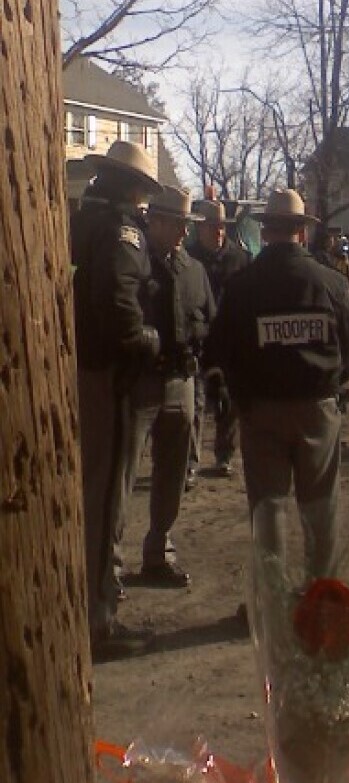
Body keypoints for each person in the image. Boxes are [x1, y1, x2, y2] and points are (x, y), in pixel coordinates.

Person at [204, 189, 349, 584]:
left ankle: (270, 604)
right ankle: (322, 598)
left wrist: (239, 393)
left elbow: (220, 348)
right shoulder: (332, 284)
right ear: (301, 233)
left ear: (266, 231)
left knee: (268, 507)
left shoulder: (242, 285)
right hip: (318, 409)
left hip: (261, 411)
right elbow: (348, 349)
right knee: (320, 507)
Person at [71, 140, 163, 656]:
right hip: (109, 375)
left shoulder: (82, 221)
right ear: (134, 187)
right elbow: (121, 306)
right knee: (106, 498)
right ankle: (98, 619)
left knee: (92, 492)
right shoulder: (122, 232)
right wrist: (149, 342)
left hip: (83, 367)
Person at [112, 186, 207, 589]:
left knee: (172, 472)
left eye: (188, 225)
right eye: (177, 224)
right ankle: (109, 566)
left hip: (180, 379)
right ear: (157, 221)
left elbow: (205, 314)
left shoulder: (193, 269)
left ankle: (158, 552)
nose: (184, 233)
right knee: (122, 477)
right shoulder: (136, 260)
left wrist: (197, 338)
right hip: (141, 381)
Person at [186, 200, 252, 484]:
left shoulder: (240, 259)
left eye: (222, 227)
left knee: (228, 402)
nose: (218, 232)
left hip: (229, 339)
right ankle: (190, 462)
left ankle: (224, 455)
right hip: (198, 339)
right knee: (195, 403)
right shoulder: (188, 259)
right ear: (199, 228)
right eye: (212, 227)